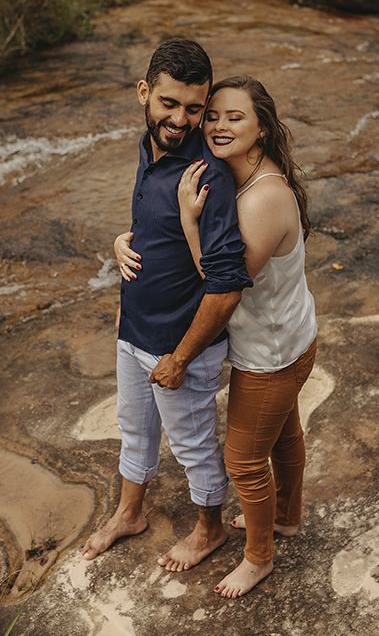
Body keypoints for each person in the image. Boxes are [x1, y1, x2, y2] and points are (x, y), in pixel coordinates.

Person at [117, 75, 317, 598]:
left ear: (263, 128)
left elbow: (222, 281)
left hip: (270, 354)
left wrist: (188, 219)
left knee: (244, 459)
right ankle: (287, 517)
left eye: (236, 117)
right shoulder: (243, 178)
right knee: (284, 435)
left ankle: (259, 558)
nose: (217, 126)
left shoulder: (262, 199)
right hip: (293, 336)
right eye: (214, 116)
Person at [82, 39, 252, 572]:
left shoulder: (208, 175)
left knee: (193, 445)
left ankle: (210, 529)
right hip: (134, 329)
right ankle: (130, 512)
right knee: (134, 428)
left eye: (194, 108)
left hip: (180, 345)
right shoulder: (148, 146)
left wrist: (180, 357)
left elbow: (226, 286)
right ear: (144, 94)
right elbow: (154, 230)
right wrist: (122, 246)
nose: (181, 120)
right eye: (169, 104)